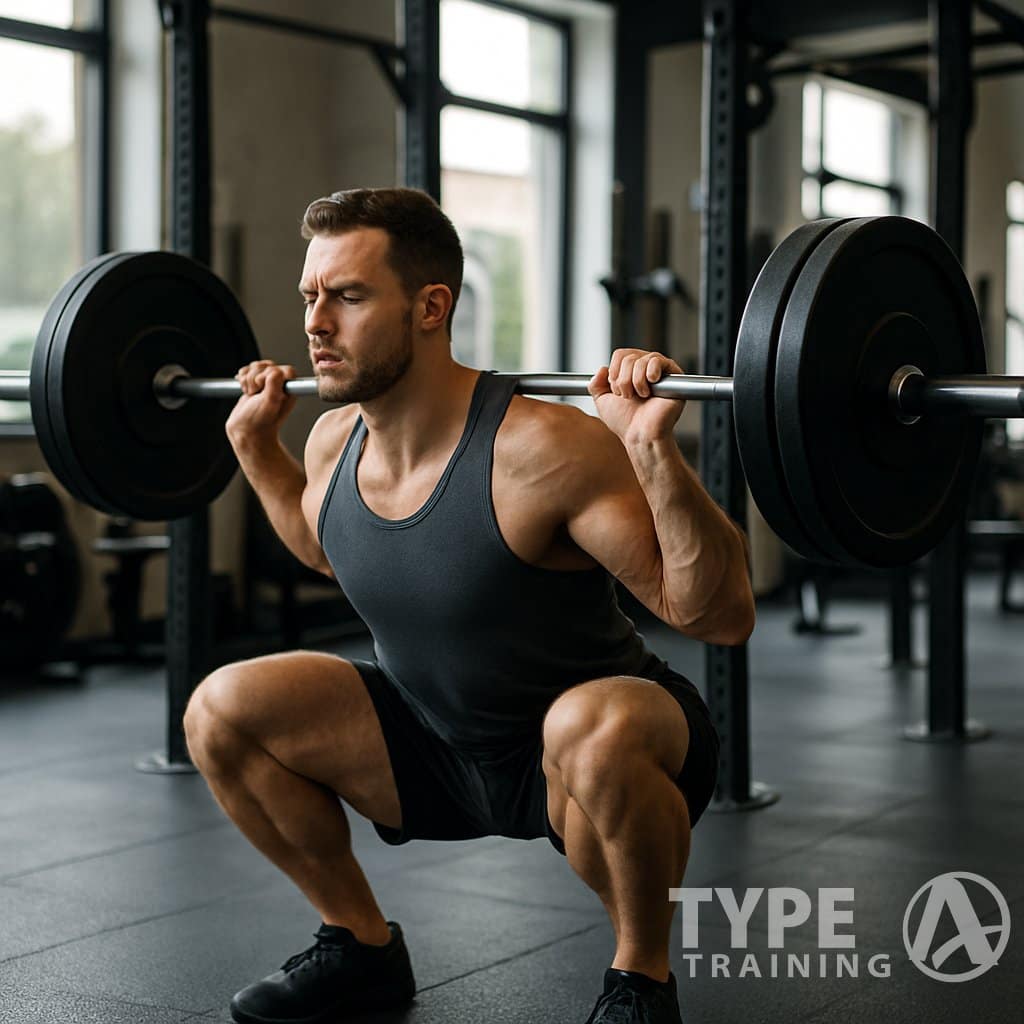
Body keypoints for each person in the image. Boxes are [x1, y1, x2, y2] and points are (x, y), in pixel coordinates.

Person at [183, 187, 755, 1024]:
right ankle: (360, 945)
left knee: (593, 728)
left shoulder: (543, 447)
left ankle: (642, 981)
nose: (315, 322)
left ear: (431, 306)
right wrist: (254, 448)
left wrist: (650, 450)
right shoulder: (334, 440)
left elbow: (716, 614)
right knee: (221, 709)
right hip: (432, 740)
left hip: (590, 748)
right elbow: (330, 550)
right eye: (311, 296)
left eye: (347, 295)